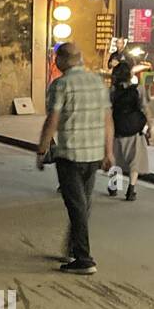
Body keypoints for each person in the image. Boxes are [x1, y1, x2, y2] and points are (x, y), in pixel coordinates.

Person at [36, 42, 114, 274]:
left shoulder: (60, 84)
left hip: (70, 154)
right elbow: (107, 120)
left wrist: (42, 149)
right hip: (93, 154)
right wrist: (108, 152)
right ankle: (74, 248)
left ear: (60, 61)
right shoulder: (97, 83)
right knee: (83, 204)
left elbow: (53, 120)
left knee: (76, 206)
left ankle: (84, 259)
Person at [108, 61, 151, 202]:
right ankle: (131, 190)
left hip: (117, 129)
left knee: (114, 157)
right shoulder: (138, 89)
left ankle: (114, 186)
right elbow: (146, 108)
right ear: (129, 75)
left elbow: (107, 111)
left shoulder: (112, 91)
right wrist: (150, 127)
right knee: (135, 160)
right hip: (134, 129)